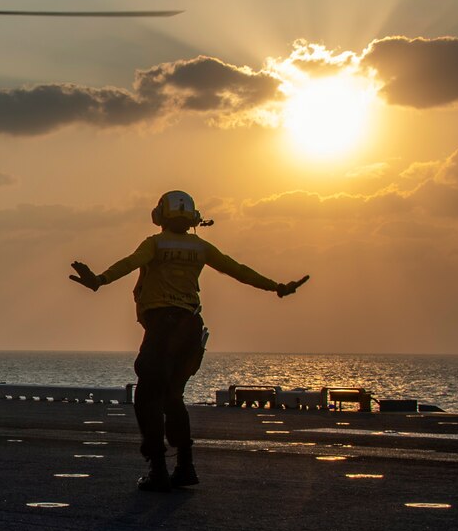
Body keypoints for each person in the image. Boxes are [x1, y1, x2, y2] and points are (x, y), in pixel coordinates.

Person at [69, 190, 308, 492]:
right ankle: (185, 466)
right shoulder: (201, 247)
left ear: (160, 216)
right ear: (193, 218)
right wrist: (277, 287)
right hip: (191, 328)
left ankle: (158, 470)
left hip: (163, 328)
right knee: (173, 397)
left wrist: (99, 280)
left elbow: (129, 263)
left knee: (147, 397)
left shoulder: (154, 244)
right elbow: (239, 271)